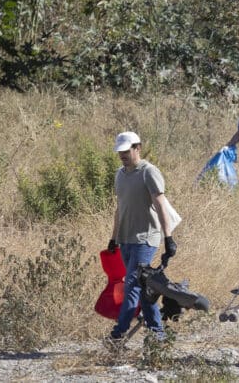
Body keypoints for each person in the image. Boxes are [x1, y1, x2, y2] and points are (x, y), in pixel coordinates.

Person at [105, 131, 176, 346]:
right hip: (126, 238)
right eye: (120, 152)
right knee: (144, 289)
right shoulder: (120, 174)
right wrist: (114, 237)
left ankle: (118, 334)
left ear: (138, 148)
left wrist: (168, 238)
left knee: (132, 286)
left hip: (146, 239)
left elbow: (161, 205)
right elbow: (120, 208)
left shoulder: (149, 172)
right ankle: (158, 335)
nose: (123, 155)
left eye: (127, 151)